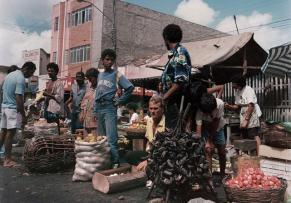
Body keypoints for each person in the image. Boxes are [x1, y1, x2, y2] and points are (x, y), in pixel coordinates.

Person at [95, 49, 134, 168]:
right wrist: (94, 108)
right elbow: (97, 92)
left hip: (109, 107)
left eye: (112, 60)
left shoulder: (116, 74)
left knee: (111, 138)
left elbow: (130, 88)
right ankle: (105, 162)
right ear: (102, 60)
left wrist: (119, 101)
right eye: (107, 59)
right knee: (101, 138)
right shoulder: (99, 74)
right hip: (99, 107)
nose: (109, 62)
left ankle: (115, 162)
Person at [0, 62, 36, 167]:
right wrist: (23, 115)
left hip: (5, 107)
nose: (30, 75)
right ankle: (7, 160)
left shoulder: (10, 75)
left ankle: (5, 158)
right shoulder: (20, 79)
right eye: (31, 72)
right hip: (11, 108)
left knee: (3, 132)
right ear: (26, 69)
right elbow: (18, 98)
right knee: (10, 134)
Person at [161, 24, 191, 129]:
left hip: (177, 103)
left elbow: (180, 81)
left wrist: (164, 97)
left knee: (174, 135)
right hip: (172, 102)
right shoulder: (173, 54)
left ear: (166, 38)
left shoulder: (180, 52)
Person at [125, 95, 165, 171]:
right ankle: (148, 167)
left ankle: (151, 168)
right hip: (150, 154)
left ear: (162, 109)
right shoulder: (149, 121)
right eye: (151, 108)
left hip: (161, 155)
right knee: (129, 155)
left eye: (156, 108)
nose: (153, 111)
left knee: (157, 163)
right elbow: (148, 141)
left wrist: (148, 161)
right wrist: (147, 157)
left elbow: (165, 150)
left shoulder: (167, 123)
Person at [225, 74, 262, 154]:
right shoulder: (237, 92)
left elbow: (251, 106)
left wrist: (246, 119)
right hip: (243, 113)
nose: (233, 87)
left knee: (254, 135)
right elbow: (237, 106)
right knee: (245, 135)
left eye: (234, 85)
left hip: (251, 113)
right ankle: (247, 156)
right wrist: (229, 106)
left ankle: (259, 155)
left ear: (239, 84)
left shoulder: (248, 90)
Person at [195, 93, 226, 179]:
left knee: (222, 151)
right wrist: (203, 144)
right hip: (206, 127)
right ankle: (209, 177)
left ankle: (222, 174)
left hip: (219, 127)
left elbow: (216, 123)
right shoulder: (199, 111)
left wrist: (210, 140)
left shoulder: (220, 104)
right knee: (208, 151)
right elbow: (198, 130)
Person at [43, 63, 64, 134]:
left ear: (56, 72)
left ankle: (57, 143)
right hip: (47, 108)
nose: (49, 73)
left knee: (55, 129)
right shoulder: (49, 82)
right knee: (49, 129)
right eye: (48, 71)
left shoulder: (59, 83)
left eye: (52, 71)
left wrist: (47, 94)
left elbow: (60, 97)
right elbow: (47, 95)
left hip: (54, 110)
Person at [80, 68, 99, 136]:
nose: (90, 81)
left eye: (91, 78)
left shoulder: (100, 88)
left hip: (96, 120)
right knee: (86, 140)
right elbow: (84, 102)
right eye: (88, 79)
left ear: (96, 77)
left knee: (95, 140)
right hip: (87, 119)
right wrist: (82, 113)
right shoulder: (89, 88)